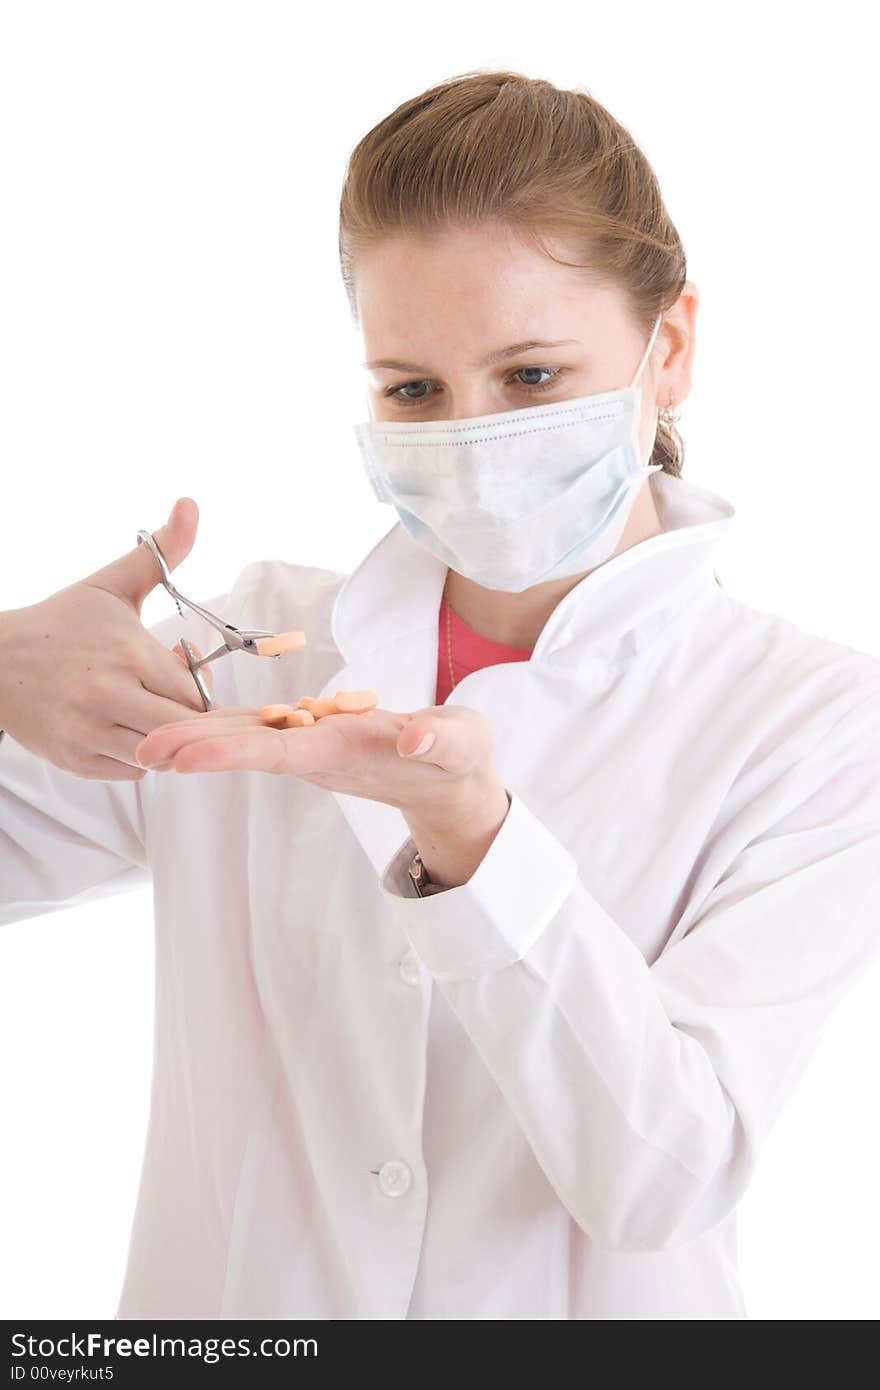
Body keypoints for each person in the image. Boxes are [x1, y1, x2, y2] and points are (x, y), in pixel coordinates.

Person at [2, 68, 880, 1322]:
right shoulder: (253, 657)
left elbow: (661, 1178)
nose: (469, 432)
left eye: (529, 377)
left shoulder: (818, 728)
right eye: (413, 389)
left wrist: (474, 841)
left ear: (668, 349)